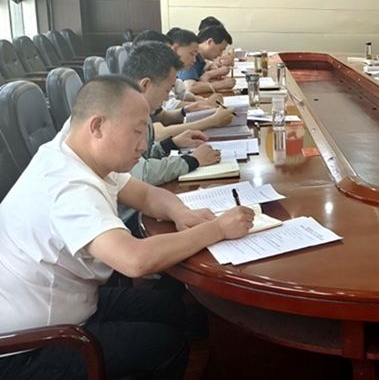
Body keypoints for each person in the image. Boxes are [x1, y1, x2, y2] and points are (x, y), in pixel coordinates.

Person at [0, 75, 254, 380]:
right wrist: (218, 229)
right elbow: (135, 260)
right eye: (136, 131)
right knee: (167, 347)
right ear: (97, 126)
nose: (144, 145)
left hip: (70, 304)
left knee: (170, 308)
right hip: (29, 346)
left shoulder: (79, 150)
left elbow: (145, 195)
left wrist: (181, 213)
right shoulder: (67, 187)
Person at [121, 41, 229, 191]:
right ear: (145, 85)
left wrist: (170, 144)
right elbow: (142, 174)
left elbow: (144, 156)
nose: (166, 98)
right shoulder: (120, 117)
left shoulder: (141, 112)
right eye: (167, 90)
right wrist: (192, 160)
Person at [178, 25, 235, 93]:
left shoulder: (201, 58)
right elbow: (190, 87)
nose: (220, 54)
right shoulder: (191, 57)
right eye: (220, 49)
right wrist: (221, 84)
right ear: (210, 42)